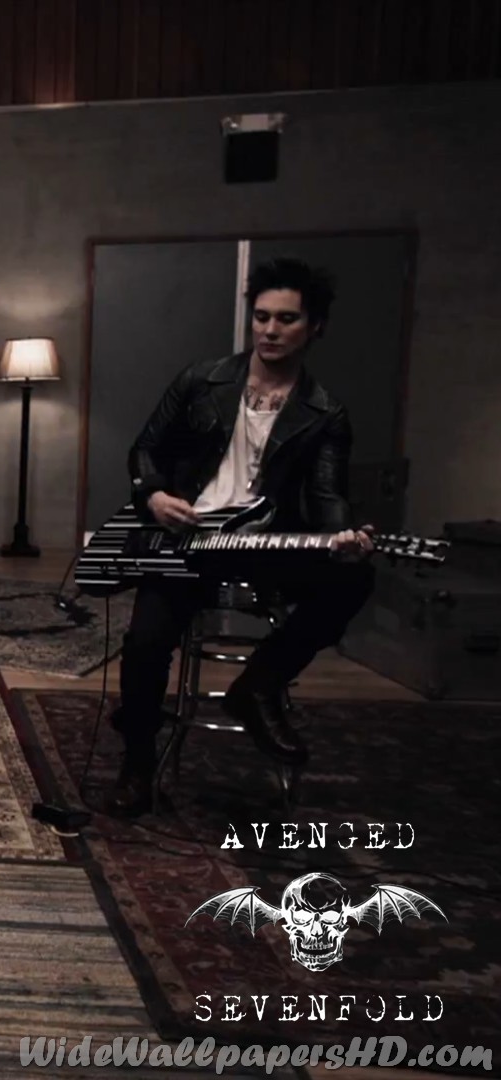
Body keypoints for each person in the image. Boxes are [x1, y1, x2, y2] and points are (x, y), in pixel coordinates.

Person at [106, 258, 376, 817]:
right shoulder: (201, 380)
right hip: (188, 539)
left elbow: (328, 494)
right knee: (146, 642)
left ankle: (259, 685)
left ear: (315, 326)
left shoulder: (326, 412)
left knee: (355, 578)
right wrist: (154, 496)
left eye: (286, 319)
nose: (270, 330)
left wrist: (341, 536)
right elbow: (145, 448)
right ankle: (136, 764)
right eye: (261, 317)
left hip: (262, 544)